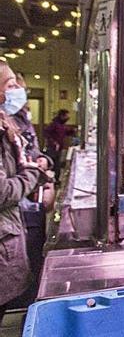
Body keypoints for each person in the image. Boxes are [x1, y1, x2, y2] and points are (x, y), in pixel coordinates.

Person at [0, 61, 51, 321]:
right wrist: (34, 173)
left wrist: (39, 163)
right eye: (10, 85)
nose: (17, 91)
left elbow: (28, 154)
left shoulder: (7, 124)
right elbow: (2, 191)